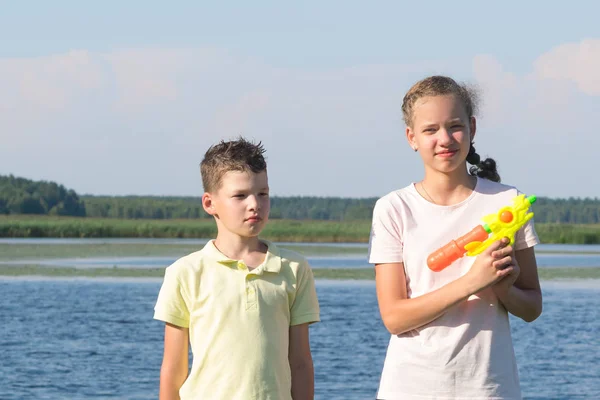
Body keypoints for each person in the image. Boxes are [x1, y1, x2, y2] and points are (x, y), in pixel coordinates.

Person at [368, 75, 543, 399]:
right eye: (430, 130)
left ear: (472, 128)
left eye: (455, 126)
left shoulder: (508, 203)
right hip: (411, 388)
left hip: (490, 388)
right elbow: (394, 318)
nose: (445, 139)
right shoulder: (393, 209)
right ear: (412, 137)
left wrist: (505, 288)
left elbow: (532, 307)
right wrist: (472, 281)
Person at [153, 137, 320, 400]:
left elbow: (300, 363)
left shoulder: (294, 268)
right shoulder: (185, 273)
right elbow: (173, 369)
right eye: (240, 195)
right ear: (210, 203)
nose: (254, 204)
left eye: (262, 194)